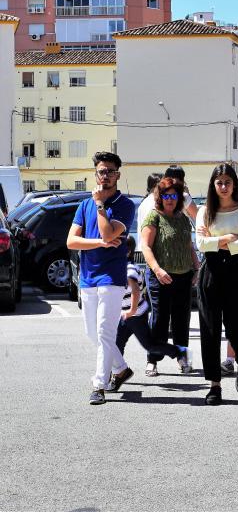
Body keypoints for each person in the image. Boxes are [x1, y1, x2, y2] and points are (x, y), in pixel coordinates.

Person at [67, 151, 137, 405]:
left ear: (118, 175)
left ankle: (99, 385)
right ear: (95, 174)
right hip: (87, 277)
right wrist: (98, 242)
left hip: (112, 276)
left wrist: (99, 205)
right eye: (101, 171)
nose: (105, 176)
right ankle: (121, 368)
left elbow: (109, 233)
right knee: (92, 333)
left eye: (110, 171)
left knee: (105, 332)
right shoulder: (83, 205)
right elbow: (72, 241)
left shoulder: (125, 205)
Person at [195, 164, 238, 406]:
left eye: (227, 182)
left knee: (234, 329)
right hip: (210, 272)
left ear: (234, 184)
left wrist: (215, 240)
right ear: (213, 185)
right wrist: (227, 238)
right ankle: (214, 385)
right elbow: (200, 243)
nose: (223, 187)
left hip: (235, 273)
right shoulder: (204, 211)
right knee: (209, 330)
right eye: (219, 182)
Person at [109, 236, 192, 392]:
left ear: (127, 252)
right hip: (124, 315)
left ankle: (178, 351)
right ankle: (116, 372)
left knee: (150, 345)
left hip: (136, 315)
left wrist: (132, 311)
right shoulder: (118, 268)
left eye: (115, 249)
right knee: (115, 344)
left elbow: (134, 291)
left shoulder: (129, 269)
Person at [141, 176, 198, 378]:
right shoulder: (153, 217)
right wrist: (157, 269)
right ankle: (152, 360)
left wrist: (196, 268)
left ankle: (182, 358)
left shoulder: (183, 218)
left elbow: (189, 245)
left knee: (183, 320)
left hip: (184, 276)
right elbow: (146, 247)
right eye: (166, 195)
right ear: (160, 197)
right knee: (159, 320)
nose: (170, 199)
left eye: (174, 195)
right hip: (160, 277)